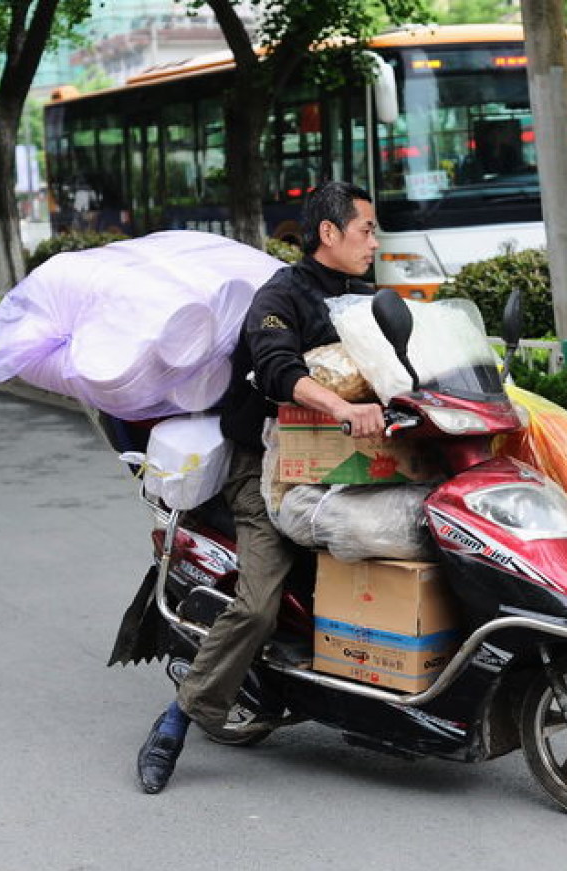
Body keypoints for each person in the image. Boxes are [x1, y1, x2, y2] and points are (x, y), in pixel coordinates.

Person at [135, 181, 384, 795]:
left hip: (352, 463)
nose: (375, 242)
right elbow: (276, 367)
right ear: (329, 233)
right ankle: (177, 719)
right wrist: (339, 406)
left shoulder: (372, 297)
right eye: (366, 231)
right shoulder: (281, 296)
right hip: (269, 465)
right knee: (258, 602)